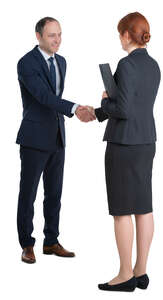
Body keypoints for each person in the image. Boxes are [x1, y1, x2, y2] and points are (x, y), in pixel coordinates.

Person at [16, 17, 95, 264]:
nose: (57, 40)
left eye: (59, 34)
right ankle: (27, 245)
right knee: (28, 194)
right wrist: (75, 108)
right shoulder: (26, 63)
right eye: (51, 35)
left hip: (57, 136)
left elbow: (54, 98)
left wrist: (71, 111)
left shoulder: (61, 61)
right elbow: (43, 96)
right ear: (38, 36)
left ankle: (51, 241)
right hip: (34, 137)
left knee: (54, 194)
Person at [93, 12, 161, 292]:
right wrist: (100, 111)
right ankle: (141, 271)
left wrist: (104, 103)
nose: (118, 39)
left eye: (119, 34)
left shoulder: (126, 64)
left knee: (122, 211)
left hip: (124, 145)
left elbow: (122, 109)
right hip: (146, 142)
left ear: (125, 35)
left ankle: (125, 275)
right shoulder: (154, 65)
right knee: (144, 207)